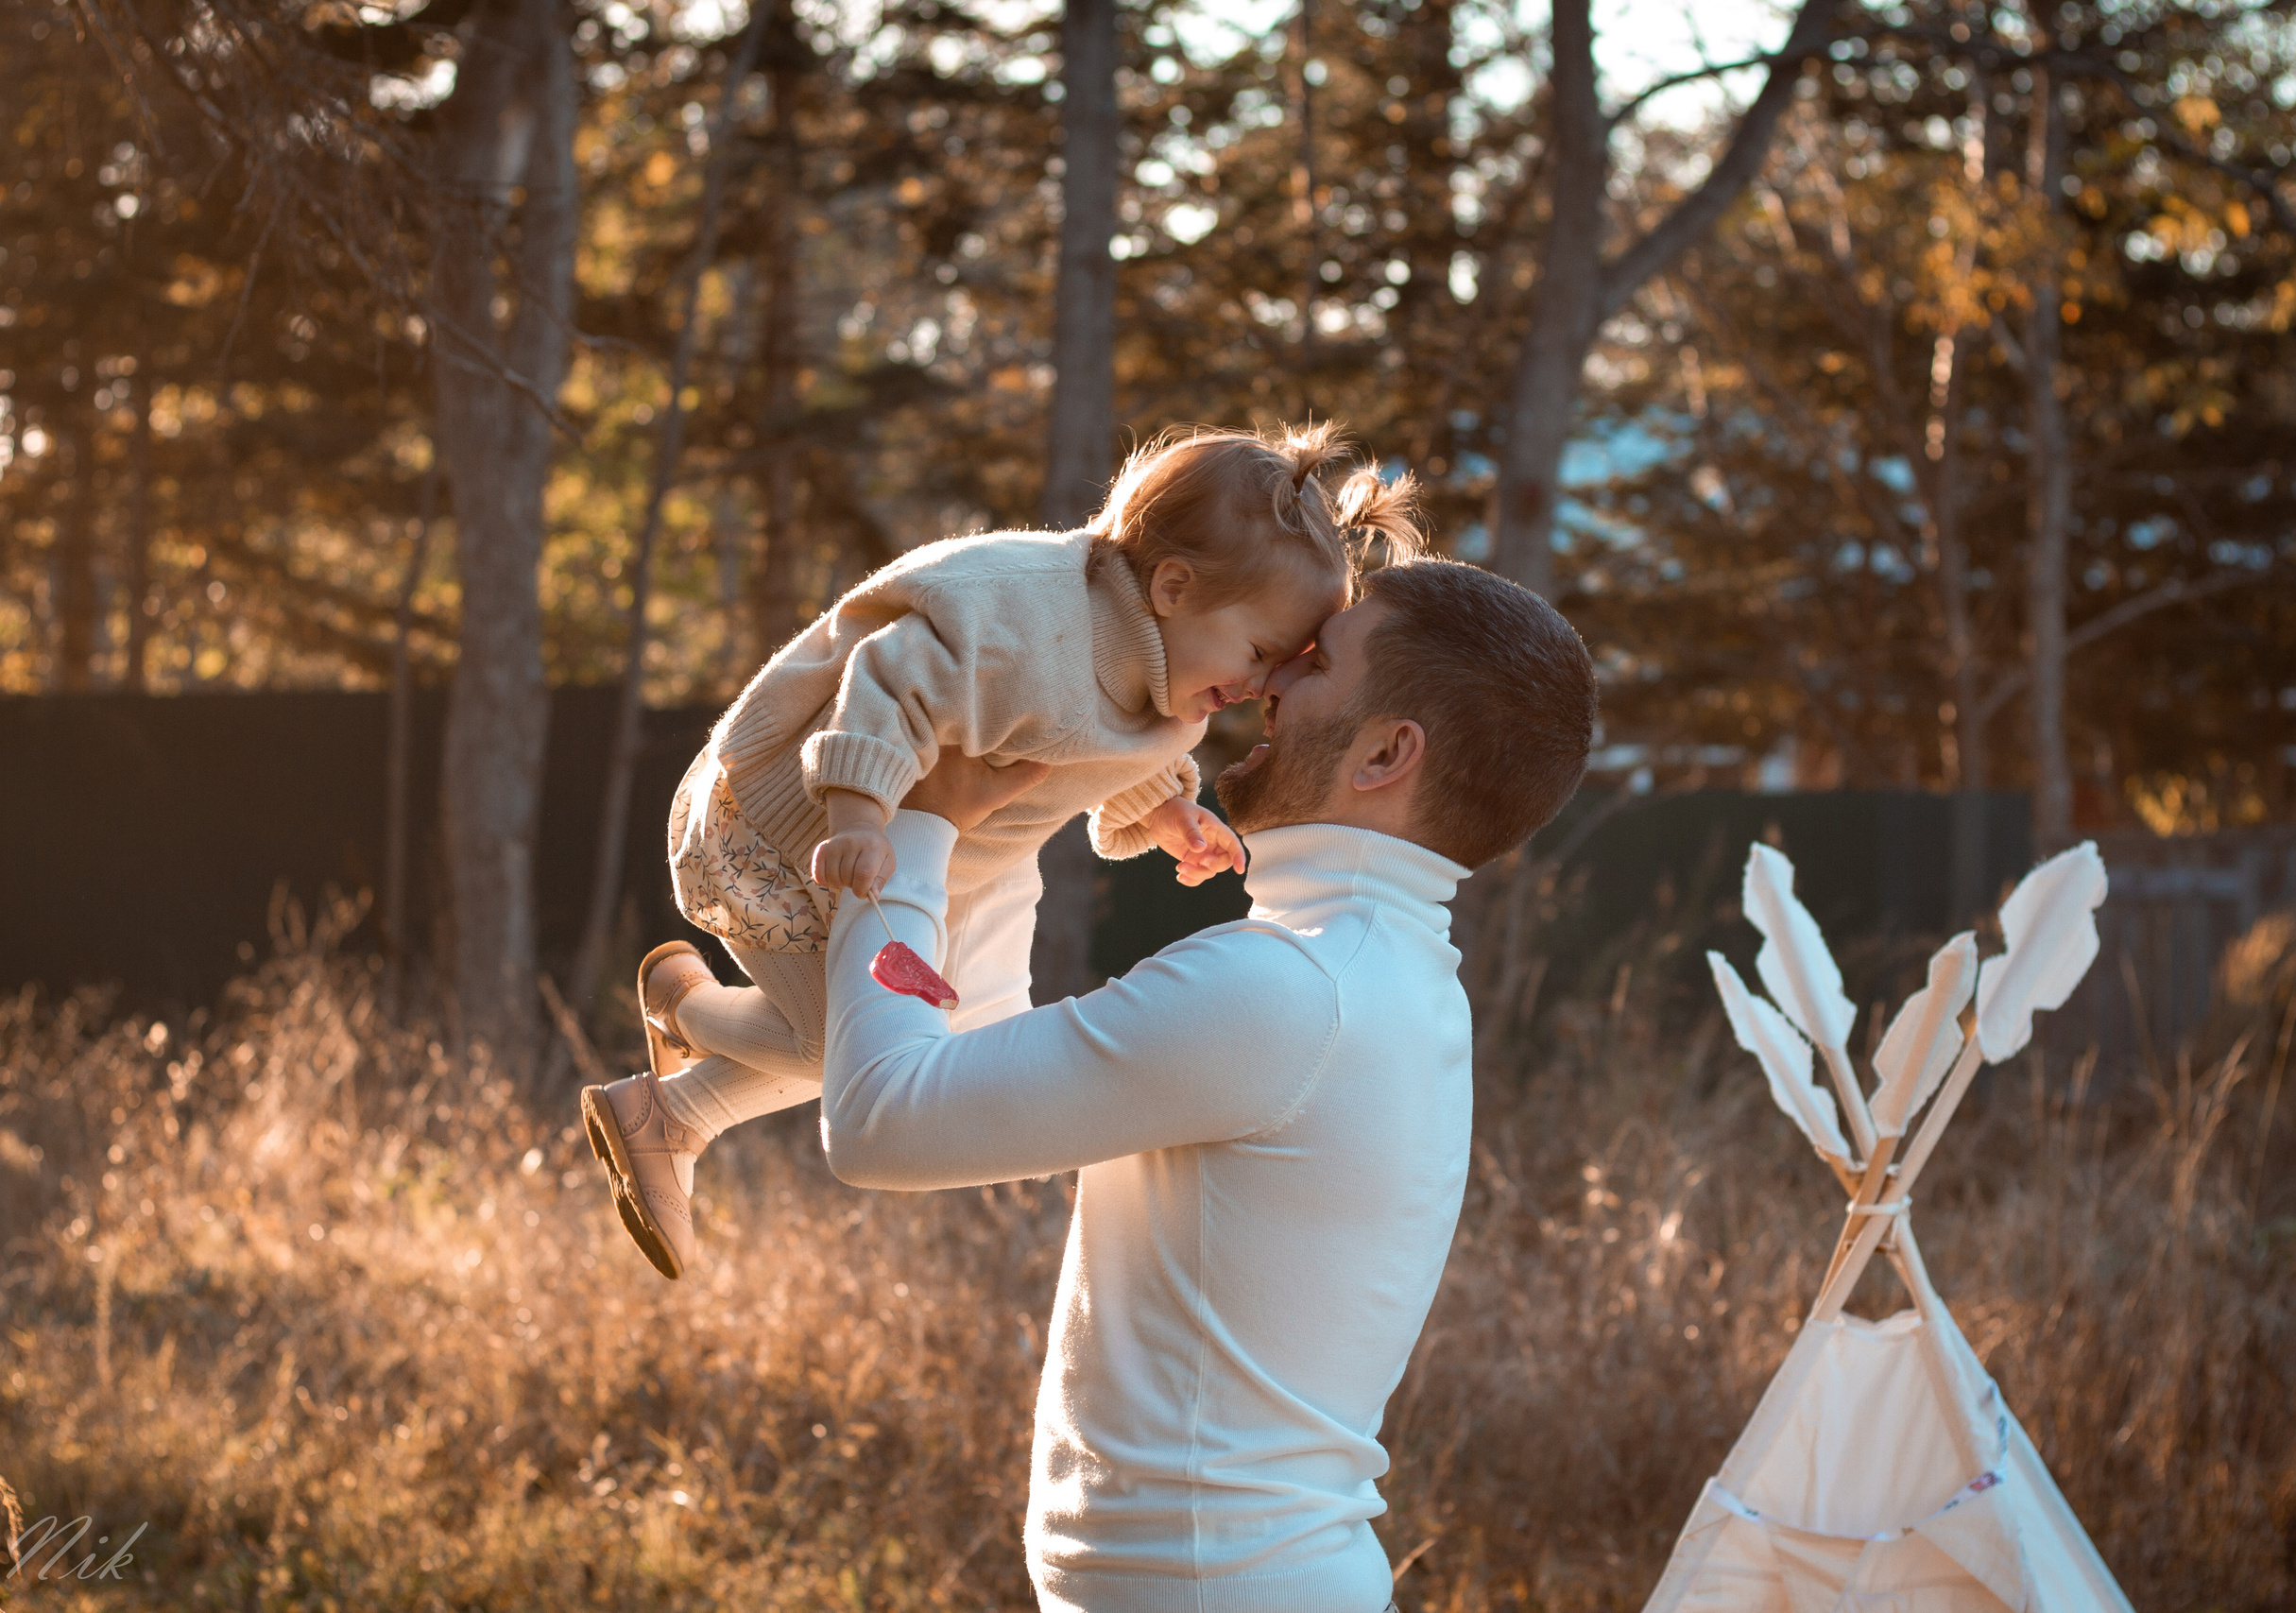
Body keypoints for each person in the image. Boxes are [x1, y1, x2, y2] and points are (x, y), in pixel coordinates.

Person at [818, 556, 1597, 1613]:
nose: (1271, 677)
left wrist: (904, 836)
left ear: (1384, 751)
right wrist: (988, 835)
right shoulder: (1377, 972)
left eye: (1318, 663)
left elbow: (881, 1125)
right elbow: (970, 1069)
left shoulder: (1285, 989)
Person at [582, 422, 1421, 1280]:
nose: (1259, 685)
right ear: (1172, 586)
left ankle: (669, 1117)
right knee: (848, 1044)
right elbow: (889, 682)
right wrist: (863, 813)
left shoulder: (1175, 676)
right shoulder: (1026, 616)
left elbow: (1107, 747)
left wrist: (1170, 814)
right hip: (795, 830)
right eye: (1258, 653)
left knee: (949, 1051)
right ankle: (683, 1006)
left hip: (941, 857)